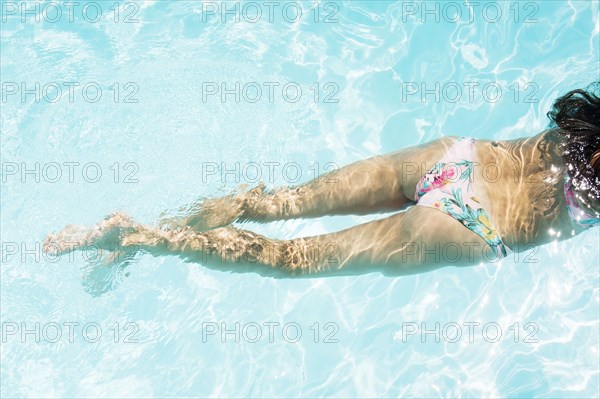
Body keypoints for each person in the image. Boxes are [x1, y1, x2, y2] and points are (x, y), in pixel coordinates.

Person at [43, 83, 600, 277]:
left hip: (458, 156)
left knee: (273, 204)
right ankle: (144, 240)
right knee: (290, 258)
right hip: (472, 227)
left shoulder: (588, 116)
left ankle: (149, 235)